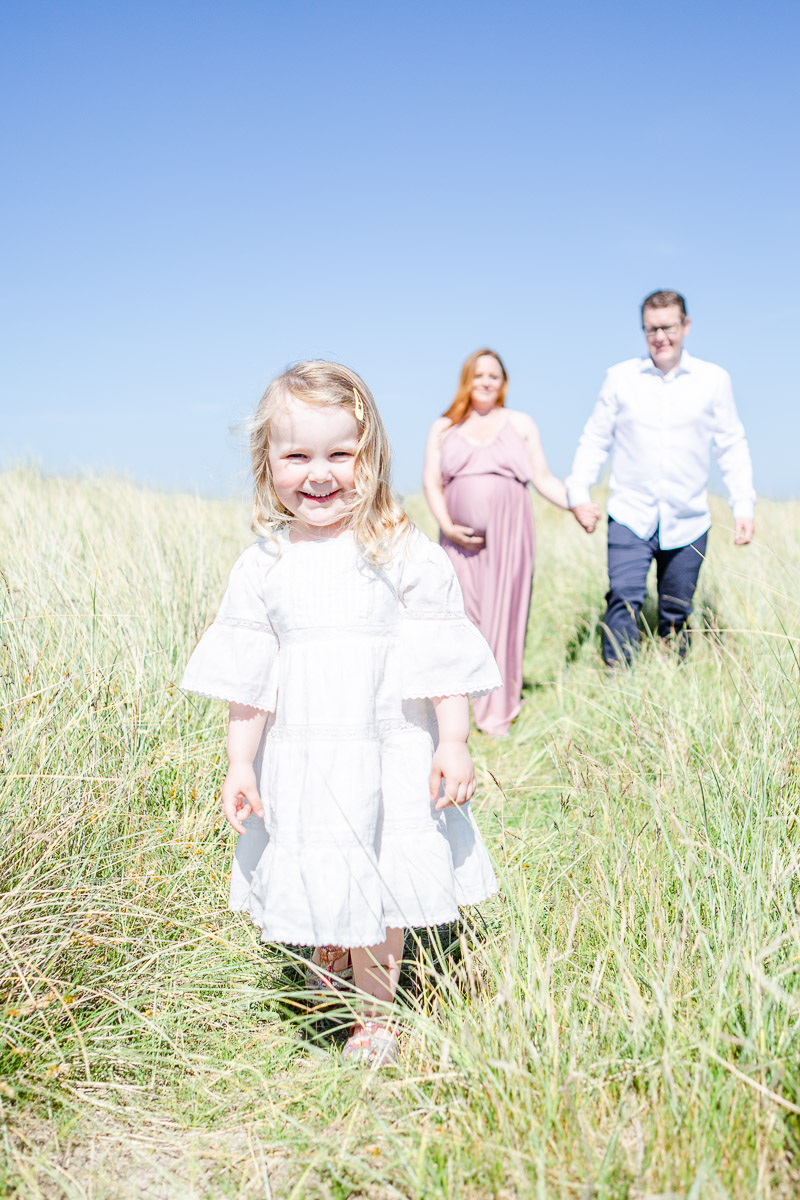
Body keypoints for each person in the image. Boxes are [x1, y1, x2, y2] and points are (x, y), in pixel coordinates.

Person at [181, 360, 501, 1067]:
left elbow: (439, 655)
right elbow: (249, 679)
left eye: (340, 454)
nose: (319, 474)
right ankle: (329, 953)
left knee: (380, 881)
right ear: (267, 464)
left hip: (389, 752)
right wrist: (240, 761)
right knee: (326, 863)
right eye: (297, 455)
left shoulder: (397, 549)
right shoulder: (263, 564)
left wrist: (453, 740)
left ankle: (375, 1013)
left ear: (372, 457)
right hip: (302, 757)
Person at [567, 290, 756, 665]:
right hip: (629, 512)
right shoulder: (620, 378)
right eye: (651, 329)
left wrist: (743, 506)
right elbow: (595, 438)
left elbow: (731, 444)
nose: (660, 337)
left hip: (688, 518)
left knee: (677, 608)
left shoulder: (713, 380)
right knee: (623, 595)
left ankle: (674, 680)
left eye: (668, 327)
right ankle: (619, 686)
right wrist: (578, 491)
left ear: (686, 326)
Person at [423, 349, 588, 736]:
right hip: (457, 539)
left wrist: (577, 505)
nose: (485, 381)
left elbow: (544, 478)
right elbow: (432, 481)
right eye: (478, 374)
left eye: (494, 376)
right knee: (458, 618)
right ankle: (453, 709)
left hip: (511, 533)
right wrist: (446, 524)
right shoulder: (444, 427)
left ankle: (496, 712)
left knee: (504, 616)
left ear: (504, 383)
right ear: (467, 378)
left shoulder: (520, 423)